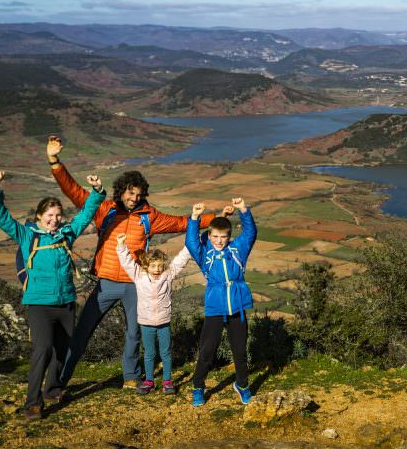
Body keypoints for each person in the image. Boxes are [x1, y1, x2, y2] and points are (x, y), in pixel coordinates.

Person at [45, 136, 217, 389]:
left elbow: (181, 223)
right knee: (82, 333)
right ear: (121, 190)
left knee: (134, 333)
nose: (134, 198)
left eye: (138, 194)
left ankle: (131, 377)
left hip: (135, 284)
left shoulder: (150, 216)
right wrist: (54, 161)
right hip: (105, 282)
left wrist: (215, 218)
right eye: (130, 192)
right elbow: (74, 192)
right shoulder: (105, 209)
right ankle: (59, 383)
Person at [0, 170, 105, 420]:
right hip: (39, 304)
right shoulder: (28, 235)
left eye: (58, 215)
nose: (55, 219)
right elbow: (1, 218)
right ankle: (32, 403)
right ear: (39, 216)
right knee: (43, 349)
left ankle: (53, 390)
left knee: (63, 350)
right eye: (50, 215)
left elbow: (84, 216)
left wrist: (96, 192)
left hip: (66, 303)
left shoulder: (65, 235)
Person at [185, 197, 257, 406]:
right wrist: (195, 218)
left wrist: (244, 210)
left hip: (238, 306)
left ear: (229, 236)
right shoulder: (204, 254)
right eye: (215, 236)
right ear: (209, 236)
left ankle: (242, 385)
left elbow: (251, 233)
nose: (219, 240)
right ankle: (198, 387)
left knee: (240, 351)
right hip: (215, 307)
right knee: (207, 350)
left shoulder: (237, 250)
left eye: (223, 236)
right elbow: (191, 242)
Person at [115, 232, 191, 395]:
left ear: (163, 266)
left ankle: (167, 382)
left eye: (160, 266)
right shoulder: (138, 276)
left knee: (166, 353)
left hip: (164, 322)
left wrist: (189, 245)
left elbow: (180, 261)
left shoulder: (168, 276)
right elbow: (127, 262)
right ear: (146, 266)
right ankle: (149, 381)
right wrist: (121, 245)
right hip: (146, 323)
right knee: (149, 353)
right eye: (153, 266)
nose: (157, 269)